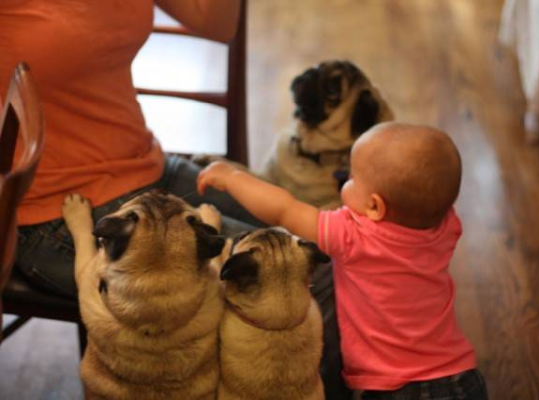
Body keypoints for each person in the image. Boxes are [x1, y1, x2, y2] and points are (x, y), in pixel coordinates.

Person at [198, 122, 489, 399]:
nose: (343, 180)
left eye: (351, 178)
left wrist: (232, 178)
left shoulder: (353, 235)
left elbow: (283, 210)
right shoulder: (447, 226)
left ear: (374, 206)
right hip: (460, 374)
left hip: (400, 389)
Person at [0, 0, 262, 298]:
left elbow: (216, 24)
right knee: (291, 278)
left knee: (304, 234)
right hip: (58, 213)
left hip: (146, 165)